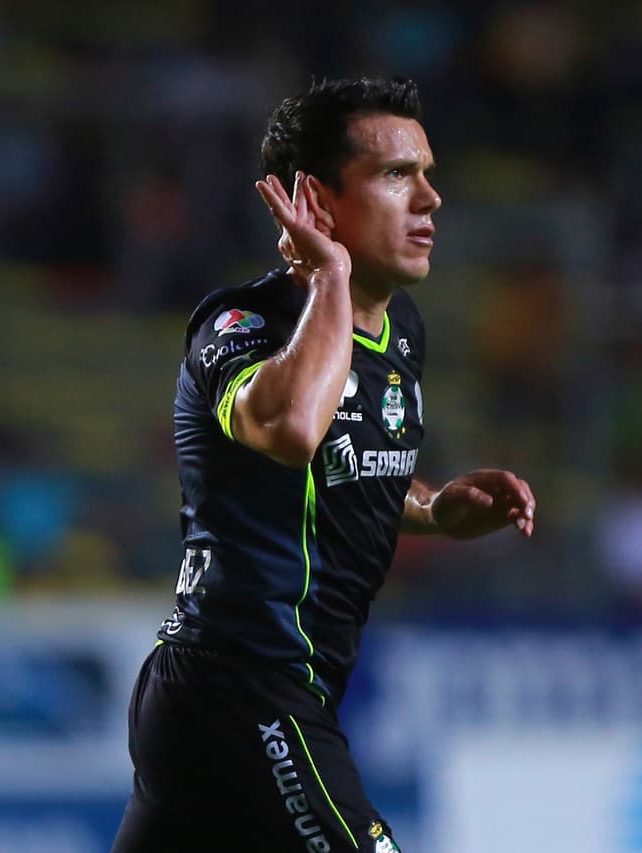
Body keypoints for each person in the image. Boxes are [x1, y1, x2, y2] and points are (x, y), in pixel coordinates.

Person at [112, 75, 536, 853]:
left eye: (428, 173)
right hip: (240, 687)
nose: (430, 199)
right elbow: (290, 428)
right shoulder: (241, 324)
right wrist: (330, 276)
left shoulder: (401, 332)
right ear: (316, 199)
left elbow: (342, 466)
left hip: (257, 699)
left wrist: (433, 507)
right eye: (396, 174)